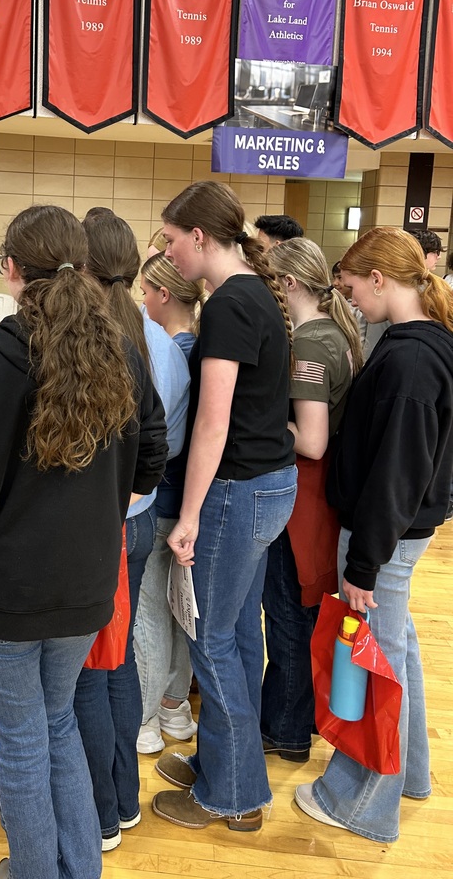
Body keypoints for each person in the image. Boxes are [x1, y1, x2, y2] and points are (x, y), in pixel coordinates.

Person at [0, 205, 168, 879]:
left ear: (11, 270)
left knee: (20, 741)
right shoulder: (120, 351)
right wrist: (101, 509)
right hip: (85, 582)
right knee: (57, 722)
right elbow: (153, 449)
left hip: (8, 593)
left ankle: (36, 870)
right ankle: (76, 868)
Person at [294, 227, 453, 842]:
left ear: (381, 280)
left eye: (355, 290)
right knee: (397, 653)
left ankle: (366, 805)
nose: (352, 302)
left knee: (376, 665)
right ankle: (407, 774)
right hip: (394, 534)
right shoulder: (424, 343)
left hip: (382, 539)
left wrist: (362, 567)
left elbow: (397, 472)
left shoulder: (412, 358)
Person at [151, 181, 297, 834]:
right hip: (265, 485)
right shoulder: (250, 295)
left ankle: (232, 795)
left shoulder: (234, 305)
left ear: (201, 236)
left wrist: (188, 517)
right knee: (236, 634)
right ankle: (226, 763)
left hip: (240, 490)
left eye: (173, 240)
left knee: (212, 638)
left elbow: (213, 424)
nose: (168, 252)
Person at [73, 210, 190, 850]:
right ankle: (120, 798)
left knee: (98, 669)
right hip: (139, 516)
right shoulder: (161, 345)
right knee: (117, 662)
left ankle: (105, 806)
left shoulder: (101, 346)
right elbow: (159, 443)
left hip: (109, 527)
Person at [260, 238, 362, 764]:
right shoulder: (330, 333)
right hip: (313, 501)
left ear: (289, 285)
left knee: (287, 616)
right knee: (295, 615)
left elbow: (313, 440)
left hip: (303, 501)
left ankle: (287, 728)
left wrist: (258, 419)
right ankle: (289, 719)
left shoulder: (311, 345)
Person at [135, 252, 203, 754]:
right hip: (188, 497)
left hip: (162, 497)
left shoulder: (165, 352)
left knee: (151, 612)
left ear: (163, 294)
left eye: (144, 292)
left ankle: (144, 717)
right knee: (180, 608)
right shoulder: (197, 349)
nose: (141, 301)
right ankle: (175, 706)